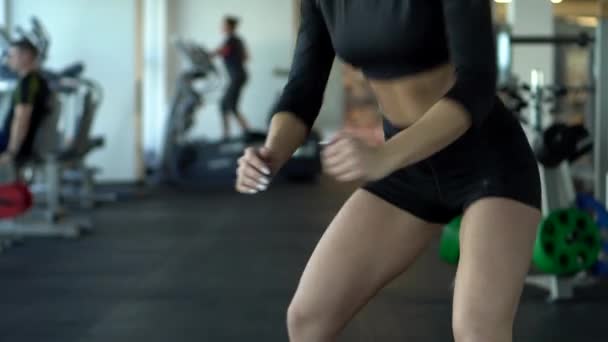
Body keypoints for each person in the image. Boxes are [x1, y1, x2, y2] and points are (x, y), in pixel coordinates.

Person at [237, 1, 541, 342]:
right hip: (408, 169)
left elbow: (478, 82)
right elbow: (302, 90)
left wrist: (384, 157)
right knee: (307, 318)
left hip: (488, 162)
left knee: (477, 329)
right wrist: (272, 152)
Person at [0, 39, 51, 166]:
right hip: (14, 141)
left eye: (12, 55)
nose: (8, 60)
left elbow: (22, 118)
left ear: (26, 56)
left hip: (12, 145)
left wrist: (11, 152)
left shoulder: (28, 84)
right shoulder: (37, 80)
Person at [213, 15, 251, 140]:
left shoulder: (231, 40)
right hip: (239, 76)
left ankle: (227, 136)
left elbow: (218, 52)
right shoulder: (236, 40)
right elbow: (246, 57)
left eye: (223, 25)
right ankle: (244, 132)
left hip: (237, 77)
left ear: (229, 26)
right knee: (230, 106)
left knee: (225, 104)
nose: (221, 27)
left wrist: (206, 55)